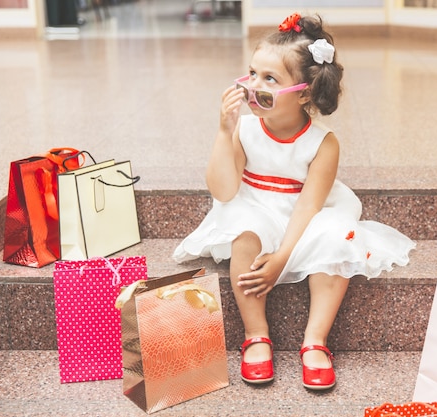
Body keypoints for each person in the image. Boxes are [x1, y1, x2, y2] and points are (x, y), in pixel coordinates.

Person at [173, 12, 416, 390]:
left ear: (303, 93)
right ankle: (256, 334)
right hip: (256, 205)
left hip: (304, 215)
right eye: (252, 74)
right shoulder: (246, 128)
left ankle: (315, 340)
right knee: (243, 232)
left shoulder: (324, 143)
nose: (254, 87)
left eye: (270, 79)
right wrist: (224, 131)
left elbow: (308, 206)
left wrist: (281, 260)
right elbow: (223, 191)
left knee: (339, 237)